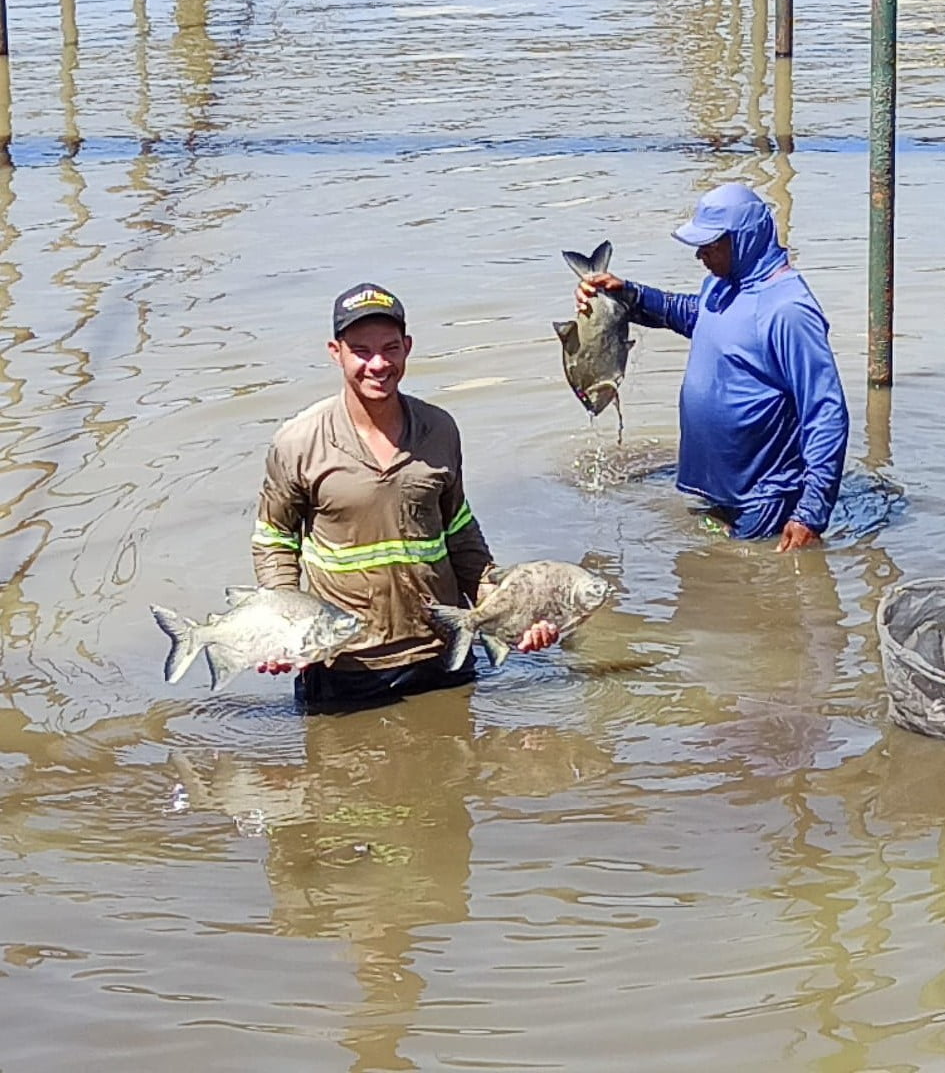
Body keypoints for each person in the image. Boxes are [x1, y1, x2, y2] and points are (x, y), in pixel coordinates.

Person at [250, 282, 558, 707]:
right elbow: (274, 541)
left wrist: (509, 611)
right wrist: (281, 626)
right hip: (343, 666)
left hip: (443, 656)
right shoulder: (297, 443)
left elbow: (461, 535)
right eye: (361, 351)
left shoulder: (440, 430)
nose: (378, 365)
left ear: (408, 348)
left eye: (390, 349)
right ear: (335, 351)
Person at [575, 183, 849, 551]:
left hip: (765, 498)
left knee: (754, 591)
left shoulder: (789, 311)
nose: (700, 254)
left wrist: (811, 514)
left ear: (744, 240)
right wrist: (627, 295)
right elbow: (693, 314)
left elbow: (826, 412)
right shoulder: (723, 286)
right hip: (721, 490)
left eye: (710, 245)